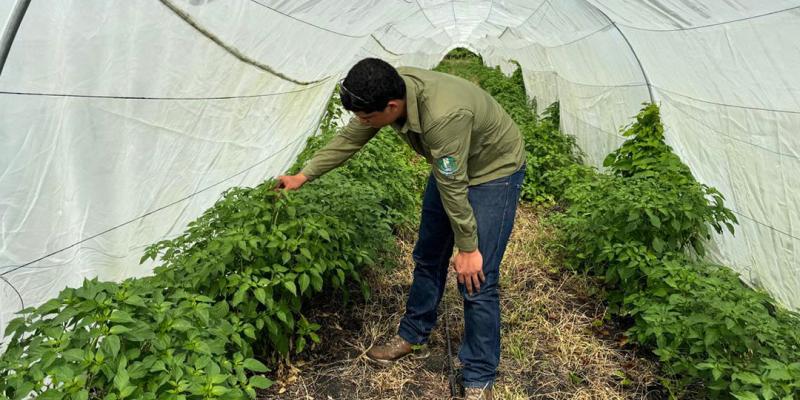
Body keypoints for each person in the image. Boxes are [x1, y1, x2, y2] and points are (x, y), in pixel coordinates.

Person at [276, 57, 526, 400]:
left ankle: (479, 373)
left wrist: (467, 249)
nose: (363, 123)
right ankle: (412, 334)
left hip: (493, 171)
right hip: (451, 168)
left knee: (478, 276)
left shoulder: (443, 116)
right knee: (428, 255)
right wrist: (304, 175)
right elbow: (352, 137)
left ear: (391, 107)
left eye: (368, 117)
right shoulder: (389, 88)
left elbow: (454, 186)